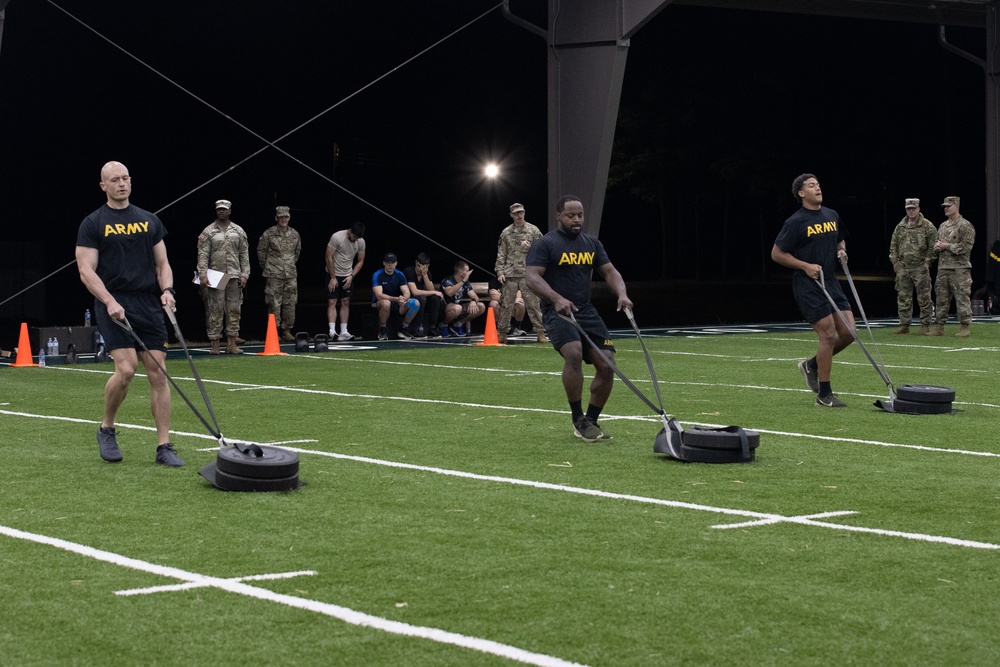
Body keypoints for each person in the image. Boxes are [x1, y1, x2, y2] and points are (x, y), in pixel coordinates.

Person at [75, 160, 184, 467]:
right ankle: (106, 428)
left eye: (125, 178)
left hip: (147, 302)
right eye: (115, 180)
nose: (122, 183)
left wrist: (167, 291)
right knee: (126, 370)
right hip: (114, 301)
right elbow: (85, 270)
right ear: (103, 186)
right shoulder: (93, 223)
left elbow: (162, 263)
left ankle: (164, 446)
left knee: (159, 373)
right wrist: (109, 300)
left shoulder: (148, 220)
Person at [525, 195, 633, 442]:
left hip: (586, 311)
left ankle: (590, 421)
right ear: (558, 216)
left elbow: (610, 272)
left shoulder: (591, 244)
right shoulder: (546, 244)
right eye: (570, 215)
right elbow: (531, 277)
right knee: (573, 353)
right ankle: (577, 417)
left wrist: (623, 294)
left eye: (580, 215)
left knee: (607, 366)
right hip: (558, 312)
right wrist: (556, 298)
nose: (576, 219)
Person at [771, 173, 855, 408]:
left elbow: (840, 239)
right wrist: (804, 265)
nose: (818, 188)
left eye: (818, 184)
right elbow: (777, 254)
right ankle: (824, 395)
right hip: (808, 284)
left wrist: (841, 251)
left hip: (831, 280)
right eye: (811, 185)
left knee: (849, 332)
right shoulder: (795, 222)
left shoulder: (831, 215)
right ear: (801, 193)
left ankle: (812, 365)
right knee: (827, 334)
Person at [197, 199, 250, 355]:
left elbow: (244, 254)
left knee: (234, 309)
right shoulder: (208, 231)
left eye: (224, 209)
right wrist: (202, 274)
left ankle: (232, 343)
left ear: (230, 211)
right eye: (219, 209)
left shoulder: (238, 231)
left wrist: (245, 274)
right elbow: (202, 254)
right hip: (216, 275)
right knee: (215, 309)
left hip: (234, 275)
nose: (221, 211)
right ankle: (215, 344)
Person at [495, 202, 547, 343]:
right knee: (506, 305)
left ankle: (540, 332)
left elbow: (543, 249)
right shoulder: (506, 232)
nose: (519, 215)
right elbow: (501, 253)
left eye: (521, 212)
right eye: (516, 213)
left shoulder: (533, 230)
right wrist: (500, 271)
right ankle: (503, 333)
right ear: (511, 215)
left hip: (528, 273)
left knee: (533, 304)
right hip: (510, 273)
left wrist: (531, 247)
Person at [888, 198, 937, 335]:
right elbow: (893, 246)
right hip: (903, 267)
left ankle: (925, 324)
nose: (911, 211)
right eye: (908, 209)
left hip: (920, 266)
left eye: (913, 208)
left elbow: (933, 246)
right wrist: (896, 263)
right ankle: (904, 324)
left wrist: (927, 262)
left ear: (918, 209)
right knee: (903, 296)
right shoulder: (900, 226)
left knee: (924, 297)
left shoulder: (927, 226)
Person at [932, 196, 976, 337]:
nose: (946, 208)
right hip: (944, 268)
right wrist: (937, 247)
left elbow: (966, 247)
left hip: (959, 269)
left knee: (962, 297)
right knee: (941, 298)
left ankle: (964, 326)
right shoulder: (943, 226)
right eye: (945, 206)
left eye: (948, 206)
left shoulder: (965, 225)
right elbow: (938, 244)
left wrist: (947, 246)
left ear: (956, 206)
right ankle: (939, 326)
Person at [257, 205, 301, 343]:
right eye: (281, 217)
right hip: (273, 273)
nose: (284, 219)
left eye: (286, 217)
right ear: (276, 218)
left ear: (289, 217)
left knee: (290, 303)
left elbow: (297, 252)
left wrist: (289, 265)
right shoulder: (269, 233)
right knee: (273, 303)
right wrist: (269, 267)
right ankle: (273, 331)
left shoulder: (295, 234)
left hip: (290, 274)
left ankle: (287, 331)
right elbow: (261, 252)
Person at [326, 221, 366, 341]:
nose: (355, 239)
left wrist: (352, 276)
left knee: (345, 301)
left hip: (347, 275)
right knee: (332, 301)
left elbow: (360, 260)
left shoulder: (361, 242)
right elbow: (328, 256)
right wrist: (332, 277)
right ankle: (332, 331)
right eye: (354, 236)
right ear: (349, 231)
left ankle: (344, 331)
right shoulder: (337, 237)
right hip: (333, 273)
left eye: (358, 238)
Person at [372, 252, 421, 340]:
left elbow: (407, 292)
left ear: (396, 263)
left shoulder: (400, 275)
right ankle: (383, 329)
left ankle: (403, 328)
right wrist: (396, 299)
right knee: (386, 303)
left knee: (415, 303)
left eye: (392, 262)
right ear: (384, 263)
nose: (390, 265)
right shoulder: (378, 275)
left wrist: (403, 298)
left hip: (397, 303)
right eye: (388, 262)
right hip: (381, 303)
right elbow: (379, 295)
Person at [403, 252, 445, 337]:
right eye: (419, 266)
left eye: (424, 267)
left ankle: (432, 328)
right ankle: (416, 328)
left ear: (427, 266)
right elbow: (415, 292)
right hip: (411, 299)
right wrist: (434, 292)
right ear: (416, 263)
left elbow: (431, 289)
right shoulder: (409, 271)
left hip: (423, 300)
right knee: (422, 298)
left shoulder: (427, 273)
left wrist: (425, 275)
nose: (420, 269)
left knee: (435, 299)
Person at [440, 260, 485, 337]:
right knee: (457, 308)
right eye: (467, 271)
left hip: (458, 309)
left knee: (481, 306)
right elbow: (450, 292)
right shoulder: (448, 280)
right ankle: (443, 325)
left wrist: (473, 301)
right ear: (461, 272)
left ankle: (458, 325)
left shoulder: (466, 283)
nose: (468, 273)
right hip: (444, 309)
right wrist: (463, 281)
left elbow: (475, 296)